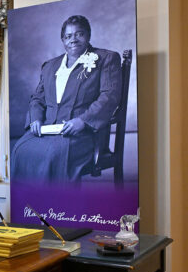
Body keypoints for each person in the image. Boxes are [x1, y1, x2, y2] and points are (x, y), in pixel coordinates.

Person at [11, 15, 122, 182]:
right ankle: (28, 206)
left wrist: (83, 121)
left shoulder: (105, 59)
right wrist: (35, 119)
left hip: (83, 133)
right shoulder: (50, 66)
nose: (73, 40)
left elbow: (109, 97)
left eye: (79, 34)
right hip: (48, 130)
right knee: (19, 149)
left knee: (52, 155)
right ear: (62, 40)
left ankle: (57, 207)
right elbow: (37, 99)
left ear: (88, 35)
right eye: (68, 36)